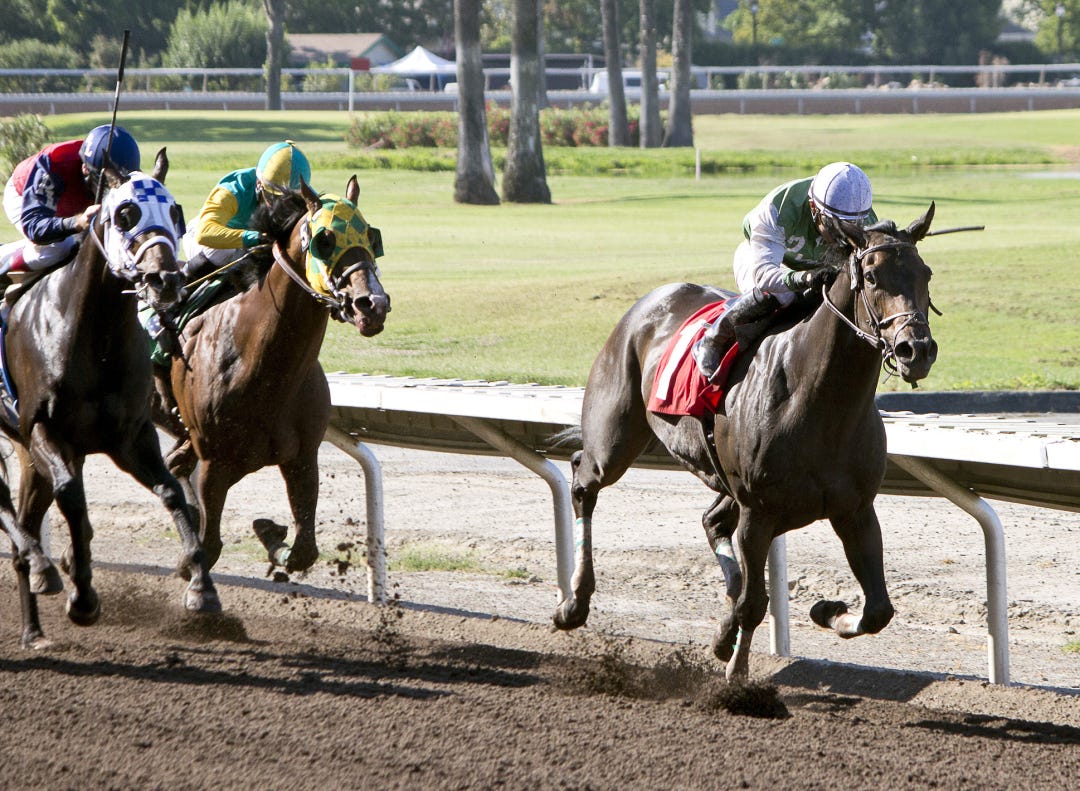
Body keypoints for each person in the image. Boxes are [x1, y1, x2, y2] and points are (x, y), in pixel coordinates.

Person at [692, 161, 877, 380]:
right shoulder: (778, 209)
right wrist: (804, 278)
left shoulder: (867, 223)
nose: (842, 236)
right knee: (783, 296)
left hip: (817, 271)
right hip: (764, 261)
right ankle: (714, 338)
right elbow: (764, 275)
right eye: (833, 224)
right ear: (813, 207)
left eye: (851, 226)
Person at [0, 124, 141, 277]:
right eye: (105, 183)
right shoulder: (54, 163)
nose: (111, 191)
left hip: (72, 201)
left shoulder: (119, 171)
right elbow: (34, 226)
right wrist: (76, 222)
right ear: (85, 169)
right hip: (23, 196)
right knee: (59, 248)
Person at [181, 140, 311, 281]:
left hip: (248, 245)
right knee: (221, 251)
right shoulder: (233, 190)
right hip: (203, 240)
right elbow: (204, 234)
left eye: (289, 199)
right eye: (273, 196)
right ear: (259, 183)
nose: (280, 204)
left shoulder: (304, 194)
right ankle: (183, 282)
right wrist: (256, 237)